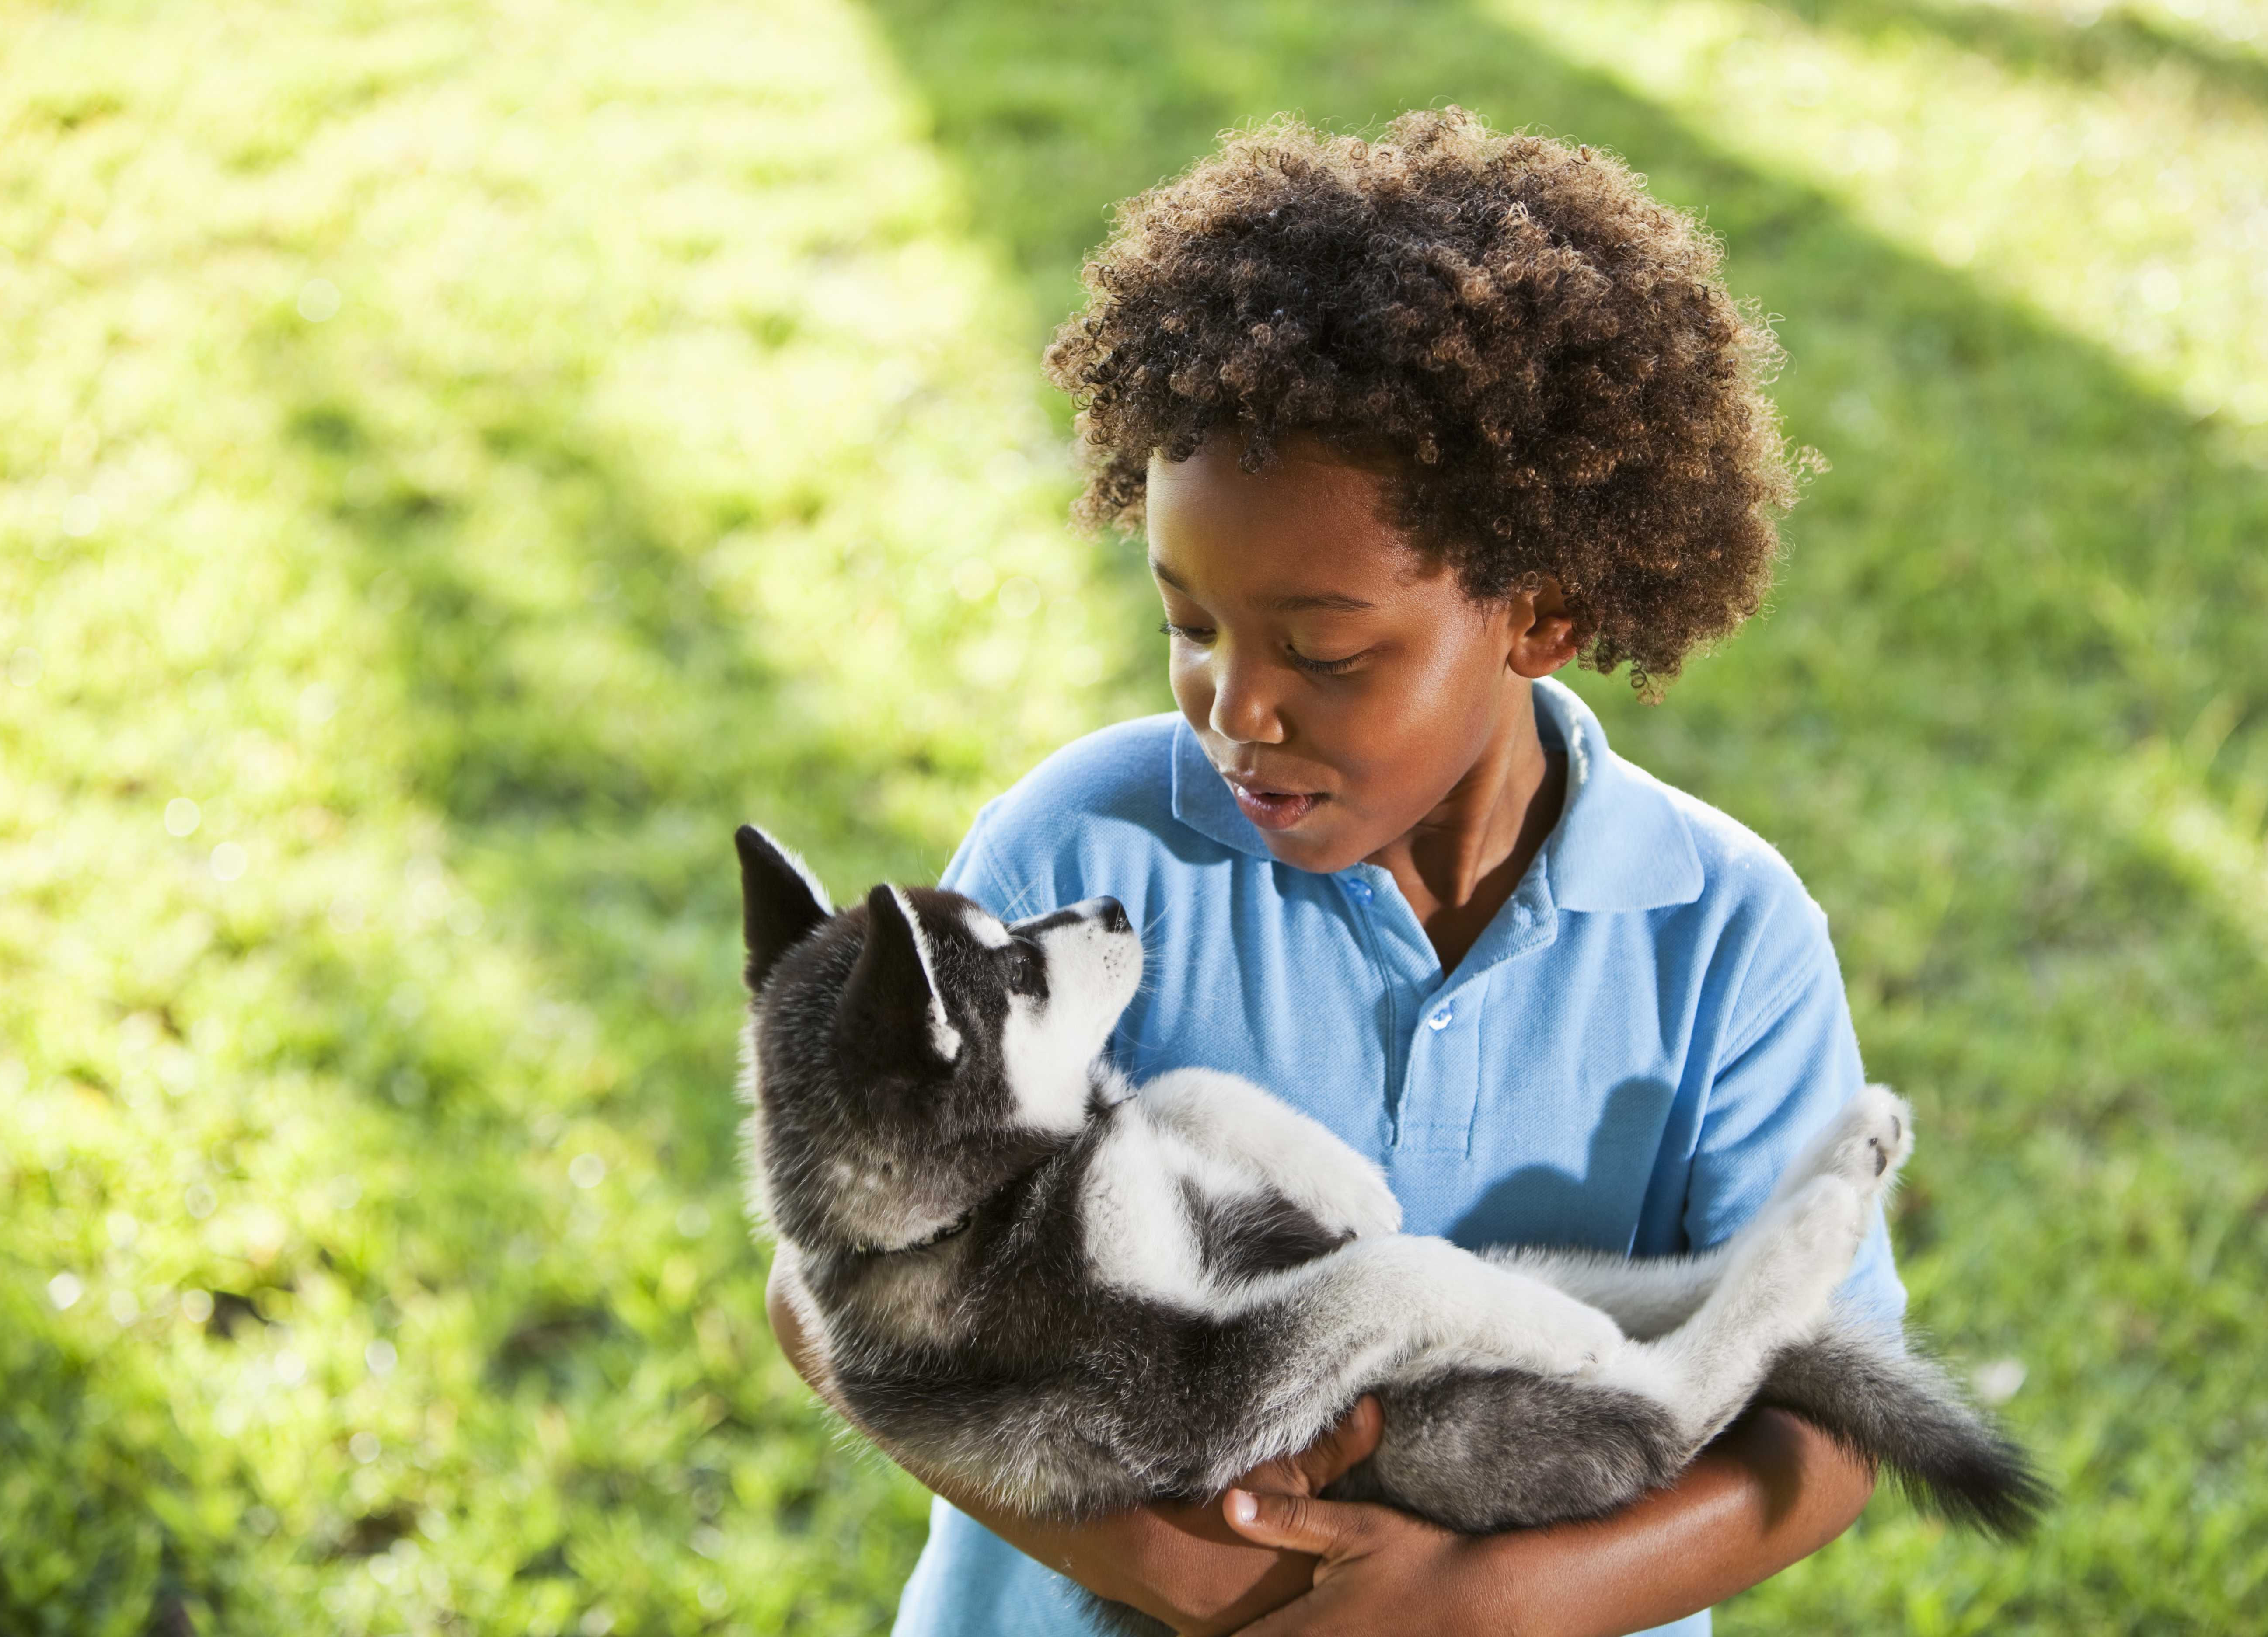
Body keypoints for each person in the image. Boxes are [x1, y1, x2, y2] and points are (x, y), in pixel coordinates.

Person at [768, 107, 1907, 1636]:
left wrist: (1480, 1606)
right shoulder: (1081, 857)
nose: (1238, 708)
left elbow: (1829, 1420)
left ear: (1543, 616)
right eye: (1190, 625)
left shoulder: (1721, 938)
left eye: (1324, 649)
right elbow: (838, 1293)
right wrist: (1197, 1582)